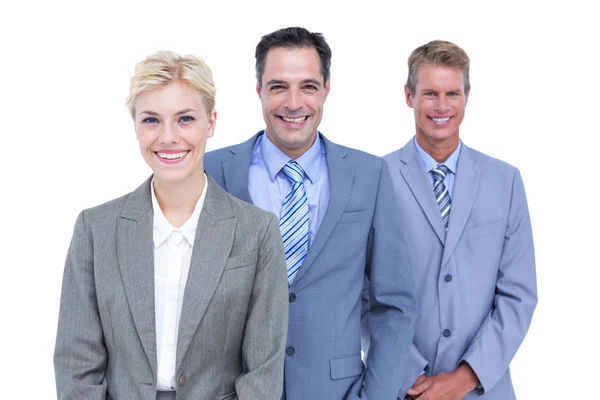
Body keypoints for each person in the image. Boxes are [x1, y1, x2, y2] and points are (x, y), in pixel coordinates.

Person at [54, 50, 289, 400]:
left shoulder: (258, 232)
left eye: (185, 119)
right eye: (151, 120)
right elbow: (77, 365)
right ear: (134, 125)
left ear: (210, 122)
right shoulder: (95, 230)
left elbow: (263, 374)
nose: (167, 138)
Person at [204, 27, 417, 400]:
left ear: (326, 89)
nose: (293, 103)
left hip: (337, 390)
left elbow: (394, 303)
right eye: (278, 87)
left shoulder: (369, 174)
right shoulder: (212, 171)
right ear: (258, 91)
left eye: (307, 86)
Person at [384, 40, 538, 399]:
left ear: (467, 96)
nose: (442, 106)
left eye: (452, 93)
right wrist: (411, 374)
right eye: (430, 93)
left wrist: (465, 378)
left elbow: (519, 295)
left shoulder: (506, 180)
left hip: (485, 388)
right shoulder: (378, 178)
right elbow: (363, 295)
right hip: (402, 389)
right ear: (409, 96)